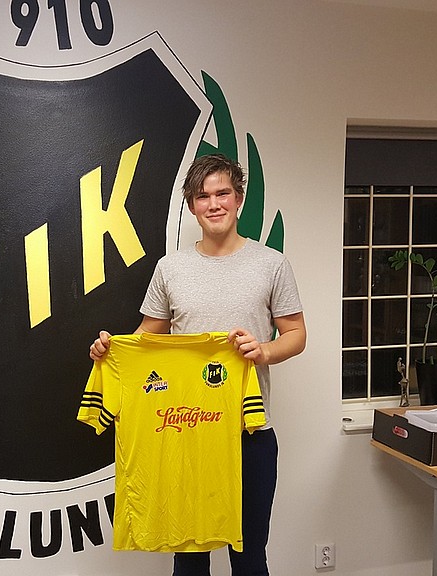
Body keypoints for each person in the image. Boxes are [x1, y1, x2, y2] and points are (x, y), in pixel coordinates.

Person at [89, 153, 306, 576]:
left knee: (249, 557)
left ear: (238, 198)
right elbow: (146, 336)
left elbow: (296, 334)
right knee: (188, 557)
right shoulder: (171, 268)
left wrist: (263, 351)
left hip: (249, 432)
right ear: (192, 206)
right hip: (186, 432)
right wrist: (110, 350)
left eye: (222, 193)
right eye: (203, 196)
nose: (214, 204)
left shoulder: (271, 264)